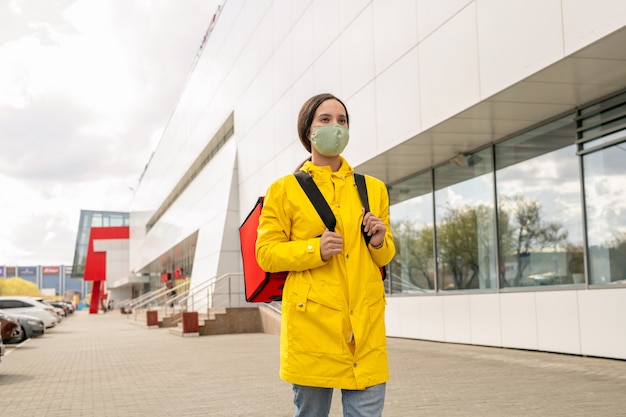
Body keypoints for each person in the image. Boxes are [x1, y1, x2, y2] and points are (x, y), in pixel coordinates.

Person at [256, 93, 396, 417]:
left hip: (365, 330)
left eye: (342, 121)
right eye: (326, 119)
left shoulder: (373, 189)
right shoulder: (284, 190)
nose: (336, 127)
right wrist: (313, 249)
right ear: (309, 130)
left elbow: (385, 256)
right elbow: (266, 254)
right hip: (312, 331)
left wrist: (378, 241)